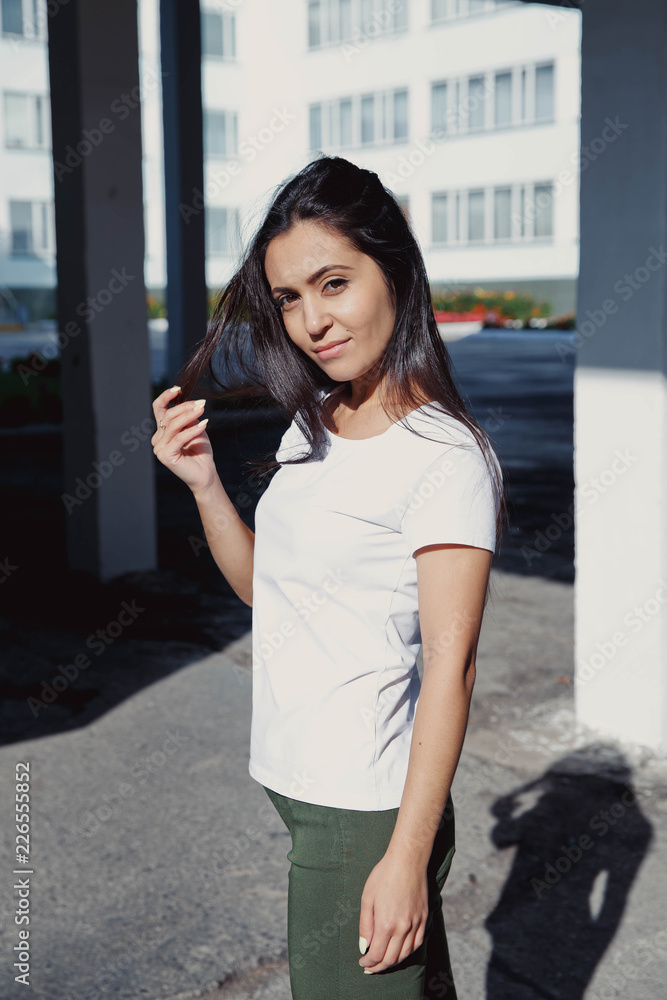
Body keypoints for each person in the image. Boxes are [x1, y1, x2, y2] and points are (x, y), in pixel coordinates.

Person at [151, 154, 509, 999]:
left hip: (363, 813)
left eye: (333, 283)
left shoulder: (444, 456)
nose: (311, 319)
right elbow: (261, 590)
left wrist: (405, 860)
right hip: (302, 789)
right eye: (288, 298)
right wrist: (204, 483)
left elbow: (451, 672)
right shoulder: (317, 418)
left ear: (394, 270)